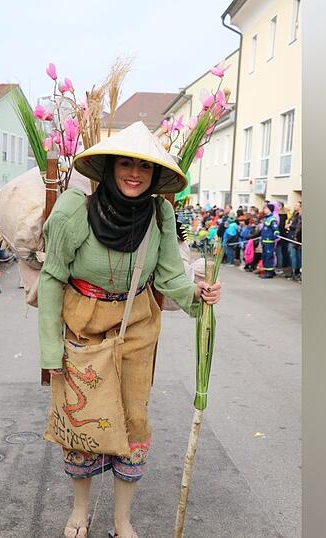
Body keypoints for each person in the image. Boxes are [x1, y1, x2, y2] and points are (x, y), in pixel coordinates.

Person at [37, 122, 221, 538]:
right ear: (110, 167)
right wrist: (50, 351)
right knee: (82, 421)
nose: (135, 173)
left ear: (155, 175)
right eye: (125, 163)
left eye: (144, 166)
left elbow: (170, 276)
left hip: (136, 325)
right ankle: (80, 511)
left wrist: (199, 296)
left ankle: (122, 519)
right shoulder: (73, 210)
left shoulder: (160, 214)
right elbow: (51, 278)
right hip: (83, 327)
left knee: (134, 421)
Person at [259, 203, 281, 278]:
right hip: (264, 240)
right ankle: (267, 271)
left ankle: (269, 273)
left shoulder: (272, 219)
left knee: (269, 256)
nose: (264, 210)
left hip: (269, 241)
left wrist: (276, 233)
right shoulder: (266, 218)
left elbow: (275, 228)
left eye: (266, 208)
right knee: (265, 256)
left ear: (269, 209)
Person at [286, 201, 303, 282]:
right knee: (293, 255)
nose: (295, 206)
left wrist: (290, 226)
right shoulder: (294, 215)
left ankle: (296, 272)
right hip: (292, 237)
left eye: (297, 205)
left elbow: (297, 227)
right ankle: (294, 272)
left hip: (296, 239)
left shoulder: (300, 217)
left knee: (295, 256)